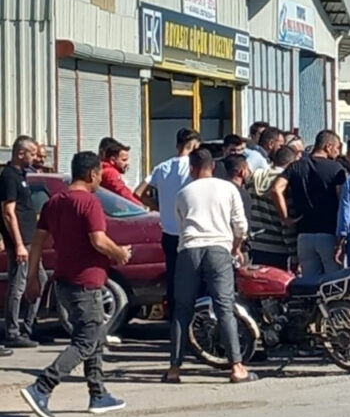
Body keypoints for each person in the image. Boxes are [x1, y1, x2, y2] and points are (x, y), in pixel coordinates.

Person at [19, 152, 130, 417]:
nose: (101, 180)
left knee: (95, 337)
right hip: (86, 283)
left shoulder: (53, 203)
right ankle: (42, 387)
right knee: (85, 341)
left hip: (65, 282)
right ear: (92, 174)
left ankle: (98, 393)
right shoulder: (89, 203)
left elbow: (37, 243)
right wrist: (120, 254)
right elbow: (99, 240)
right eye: (100, 175)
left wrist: (32, 277)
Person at [163, 149, 255, 384]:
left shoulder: (183, 193)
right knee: (224, 307)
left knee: (181, 310)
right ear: (212, 166)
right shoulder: (228, 188)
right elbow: (240, 225)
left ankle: (174, 369)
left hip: (188, 251)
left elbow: (180, 225)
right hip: (218, 249)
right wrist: (235, 247)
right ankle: (236, 367)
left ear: (192, 169)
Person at [135, 128, 200, 322]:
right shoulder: (193, 167)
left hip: (169, 231)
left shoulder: (162, 167)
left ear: (178, 145)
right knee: (193, 278)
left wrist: (158, 207)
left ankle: (173, 317)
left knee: (172, 277)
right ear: (195, 146)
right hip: (190, 230)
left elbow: (138, 192)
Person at [271, 130, 347, 278]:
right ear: (328, 146)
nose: (338, 152)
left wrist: (285, 217)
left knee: (309, 284)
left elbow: (276, 189)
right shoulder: (336, 169)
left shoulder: (295, 166)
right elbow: (342, 201)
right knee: (334, 283)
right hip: (328, 234)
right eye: (337, 148)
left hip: (304, 234)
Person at [2, 136, 43, 348]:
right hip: (21, 241)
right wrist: (18, 244)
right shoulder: (9, 176)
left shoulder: (23, 175)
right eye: (32, 153)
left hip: (31, 238)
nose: (35, 157)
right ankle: (13, 331)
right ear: (20, 153)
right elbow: (9, 212)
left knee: (40, 279)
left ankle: (28, 327)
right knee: (18, 284)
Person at [248, 146, 298, 269]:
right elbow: (286, 222)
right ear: (292, 163)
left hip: (255, 242)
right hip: (278, 246)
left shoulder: (254, 178)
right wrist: (294, 253)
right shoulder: (285, 184)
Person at [99, 140, 142, 205]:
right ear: (112, 160)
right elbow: (122, 192)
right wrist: (139, 205)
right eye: (124, 160)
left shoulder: (102, 169)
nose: (127, 163)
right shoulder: (111, 173)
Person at [223, 155, 252, 222]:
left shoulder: (218, 189)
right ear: (242, 172)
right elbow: (244, 221)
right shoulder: (242, 195)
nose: (250, 172)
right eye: (247, 169)